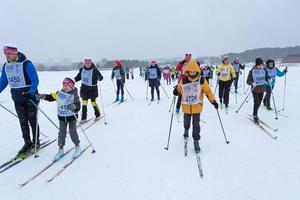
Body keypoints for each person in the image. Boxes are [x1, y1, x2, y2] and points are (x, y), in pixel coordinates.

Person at [0, 44, 40, 155]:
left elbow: (35, 80)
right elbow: (3, 81)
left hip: (29, 97)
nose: (7, 56)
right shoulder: (6, 66)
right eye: (5, 54)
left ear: (15, 53)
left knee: (32, 120)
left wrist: (30, 92)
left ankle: (36, 142)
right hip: (17, 98)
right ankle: (27, 142)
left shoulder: (26, 64)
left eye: (8, 53)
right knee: (22, 121)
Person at [173, 60, 218, 153]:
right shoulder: (184, 79)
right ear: (188, 71)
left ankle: (196, 140)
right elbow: (179, 88)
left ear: (197, 71)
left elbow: (208, 92)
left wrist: (213, 101)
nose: (192, 73)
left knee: (196, 125)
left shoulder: (201, 80)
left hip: (197, 107)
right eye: (191, 71)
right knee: (186, 122)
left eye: (194, 71)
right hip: (186, 106)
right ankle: (186, 130)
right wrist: (176, 91)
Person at [36, 78, 82, 160]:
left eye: (67, 85)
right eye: (63, 85)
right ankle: (61, 149)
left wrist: (74, 107)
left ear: (71, 86)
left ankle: (77, 146)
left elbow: (78, 105)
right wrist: (42, 96)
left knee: (72, 132)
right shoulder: (59, 93)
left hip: (72, 117)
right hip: (61, 117)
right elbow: (51, 97)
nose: (65, 87)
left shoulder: (74, 94)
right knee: (61, 133)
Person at [74, 58, 103, 122]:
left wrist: (99, 77)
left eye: (89, 63)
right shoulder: (82, 70)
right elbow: (78, 77)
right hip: (84, 89)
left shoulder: (94, 70)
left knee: (93, 103)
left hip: (93, 89)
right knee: (84, 103)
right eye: (86, 63)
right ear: (84, 63)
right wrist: (73, 81)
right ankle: (84, 118)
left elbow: (101, 78)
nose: (87, 64)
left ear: (91, 63)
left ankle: (97, 114)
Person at [246, 58, 270, 124]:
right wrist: (252, 83)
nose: (261, 66)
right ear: (256, 64)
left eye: (262, 65)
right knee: (256, 102)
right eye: (259, 65)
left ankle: (255, 112)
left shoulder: (264, 70)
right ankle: (255, 115)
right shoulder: (252, 71)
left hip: (262, 89)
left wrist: (268, 79)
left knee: (259, 103)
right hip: (255, 89)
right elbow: (248, 81)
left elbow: (267, 77)